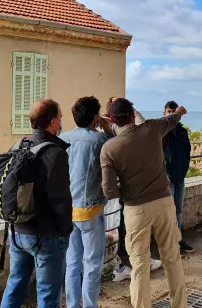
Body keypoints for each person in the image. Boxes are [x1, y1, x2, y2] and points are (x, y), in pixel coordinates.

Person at [100, 98, 188, 308]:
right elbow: (172, 119)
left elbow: (109, 190)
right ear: (132, 115)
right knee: (172, 260)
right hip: (164, 203)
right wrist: (181, 112)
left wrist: (130, 189)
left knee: (139, 267)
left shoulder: (109, 148)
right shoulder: (151, 129)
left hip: (135, 209)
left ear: (112, 121)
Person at [0, 99, 72, 308]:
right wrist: (65, 230)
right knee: (48, 295)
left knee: (14, 285)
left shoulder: (18, 146)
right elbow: (60, 199)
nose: (61, 122)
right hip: (45, 235)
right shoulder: (55, 153)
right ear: (52, 122)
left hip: (17, 231)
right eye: (60, 118)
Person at [59, 96, 114, 308]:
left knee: (72, 262)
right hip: (91, 209)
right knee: (92, 263)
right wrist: (107, 128)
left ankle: (73, 305)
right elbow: (118, 147)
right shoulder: (101, 141)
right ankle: (90, 305)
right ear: (95, 117)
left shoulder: (63, 139)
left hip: (68, 209)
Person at [102, 96, 163, 282]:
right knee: (125, 230)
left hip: (121, 190)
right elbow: (144, 126)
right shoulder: (108, 133)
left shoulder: (113, 131)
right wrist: (132, 110)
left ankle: (127, 264)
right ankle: (127, 265)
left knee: (126, 230)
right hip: (124, 191)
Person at [162, 101, 194, 253]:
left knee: (178, 210)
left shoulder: (182, 132)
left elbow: (187, 152)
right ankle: (170, 244)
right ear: (164, 114)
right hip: (167, 178)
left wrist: (184, 169)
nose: (172, 114)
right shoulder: (161, 133)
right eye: (169, 111)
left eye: (174, 111)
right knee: (169, 211)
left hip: (180, 176)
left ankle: (178, 240)